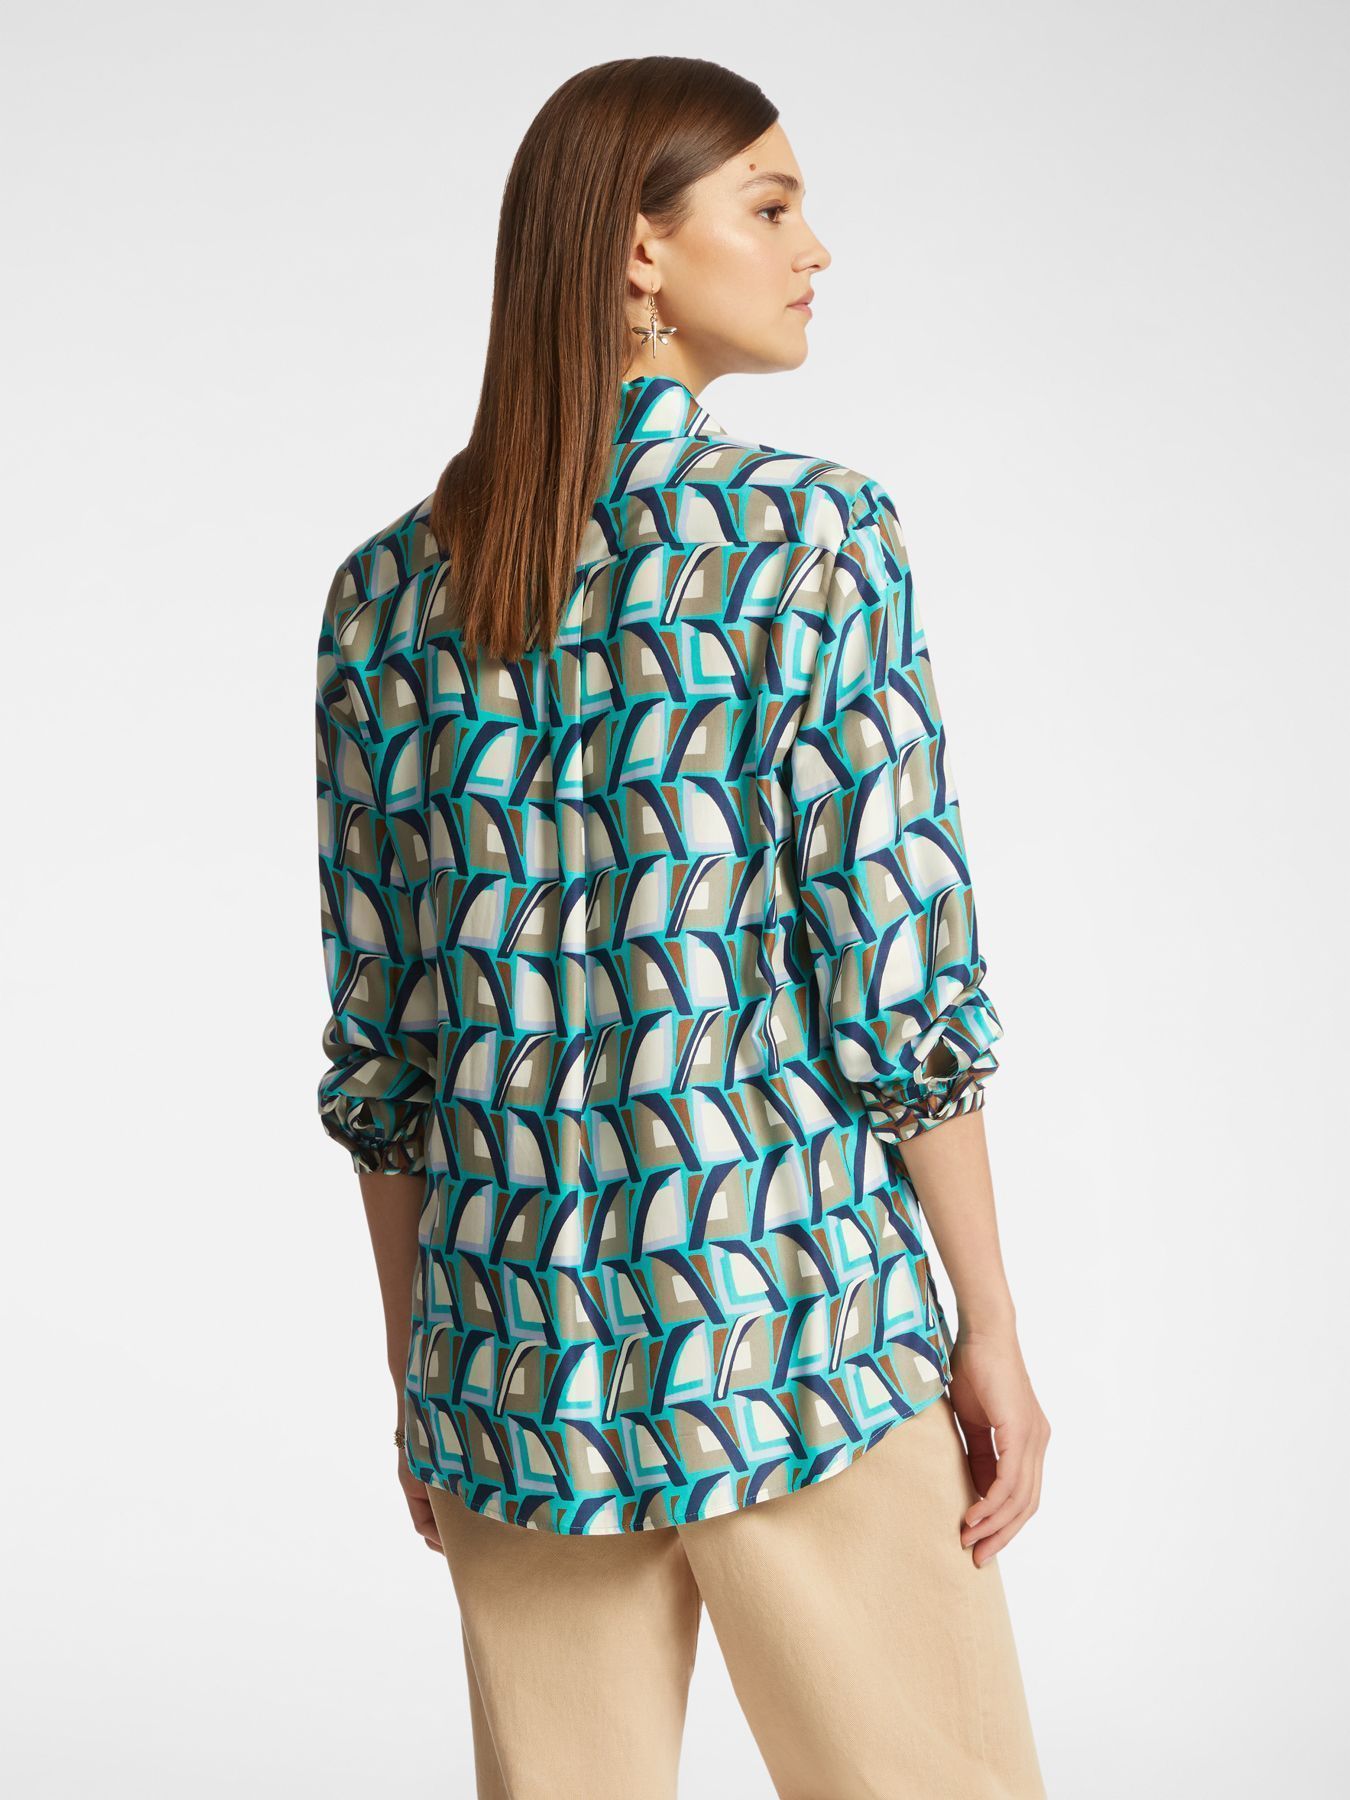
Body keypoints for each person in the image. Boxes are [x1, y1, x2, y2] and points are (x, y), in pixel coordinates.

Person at [313, 53, 1049, 1800]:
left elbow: (386, 1058)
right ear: (637, 252)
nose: (813, 250)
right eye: (770, 206)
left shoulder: (386, 593)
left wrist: (425, 1377)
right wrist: (989, 1326)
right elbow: (898, 981)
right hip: (792, 1327)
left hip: (513, 1364)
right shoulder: (809, 539)